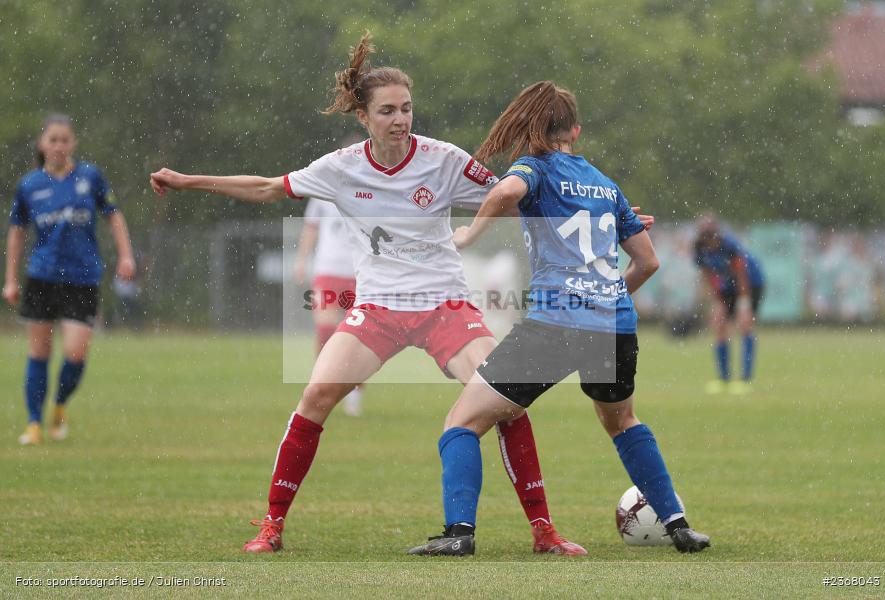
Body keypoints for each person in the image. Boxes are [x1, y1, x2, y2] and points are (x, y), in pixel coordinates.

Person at [147, 33, 647, 556]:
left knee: (505, 403)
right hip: (379, 307)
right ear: (364, 117)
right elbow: (268, 188)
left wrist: (606, 220)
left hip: (445, 305)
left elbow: (522, 196)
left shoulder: (444, 160)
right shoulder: (341, 167)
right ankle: (270, 526)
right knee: (316, 396)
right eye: (387, 111)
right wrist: (187, 181)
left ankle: (544, 531)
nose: (401, 119)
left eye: (406, 108)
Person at [407, 81, 709, 556]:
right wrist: (606, 298)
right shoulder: (606, 185)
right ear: (576, 131)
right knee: (623, 421)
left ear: (533, 131)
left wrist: (471, 234)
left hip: (556, 325)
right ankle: (678, 524)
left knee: (461, 423)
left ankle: (459, 535)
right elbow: (648, 262)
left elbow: (508, 188)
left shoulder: (536, 167)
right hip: (615, 328)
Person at [3, 113, 136, 445]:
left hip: (82, 277)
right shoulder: (29, 185)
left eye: (65, 140)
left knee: (75, 354)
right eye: (53, 139)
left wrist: (126, 255)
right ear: (42, 143)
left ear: (73, 142)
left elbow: (114, 216)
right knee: (39, 353)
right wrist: (11, 279)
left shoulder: (90, 177)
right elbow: (17, 233)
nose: (59, 146)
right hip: (42, 276)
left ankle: (59, 404)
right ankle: (33, 423)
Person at [293, 198, 364, 416]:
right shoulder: (321, 191)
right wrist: (301, 259)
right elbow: (311, 226)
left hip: (360, 273)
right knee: (325, 331)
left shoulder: (367, 186)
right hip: (327, 270)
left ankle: (354, 392)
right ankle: (321, 387)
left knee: (361, 338)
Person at [693, 215, 764, 395]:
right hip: (727, 287)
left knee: (745, 324)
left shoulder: (730, 246)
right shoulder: (699, 248)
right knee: (719, 324)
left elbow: (742, 275)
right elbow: (707, 275)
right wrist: (717, 301)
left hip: (751, 284)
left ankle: (745, 380)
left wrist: (744, 304)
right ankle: (723, 379)